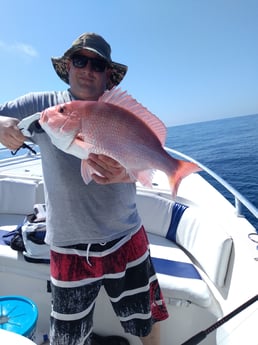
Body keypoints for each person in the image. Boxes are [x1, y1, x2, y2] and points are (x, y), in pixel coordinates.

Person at [0, 33, 168, 345]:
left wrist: (127, 174)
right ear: (68, 66)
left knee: (147, 321)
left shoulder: (122, 114)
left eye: (98, 64)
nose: (88, 69)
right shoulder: (42, 106)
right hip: (68, 246)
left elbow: (143, 164)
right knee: (67, 337)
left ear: (107, 75)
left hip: (126, 238)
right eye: (80, 60)